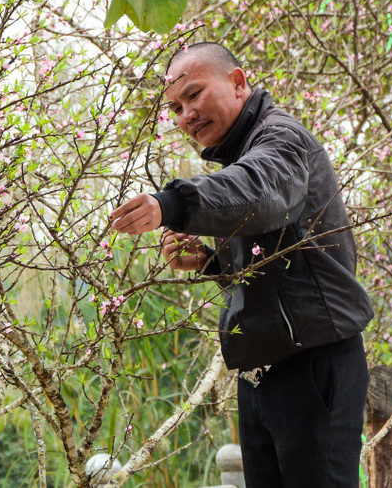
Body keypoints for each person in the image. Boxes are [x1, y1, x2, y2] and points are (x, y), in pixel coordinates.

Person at [109, 42, 374, 488]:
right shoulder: (243, 152)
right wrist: (211, 262)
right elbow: (275, 252)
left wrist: (170, 203)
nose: (186, 115)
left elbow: (260, 192)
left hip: (312, 365)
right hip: (263, 372)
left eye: (193, 95)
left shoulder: (281, 139)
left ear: (237, 82)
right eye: (175, 107)